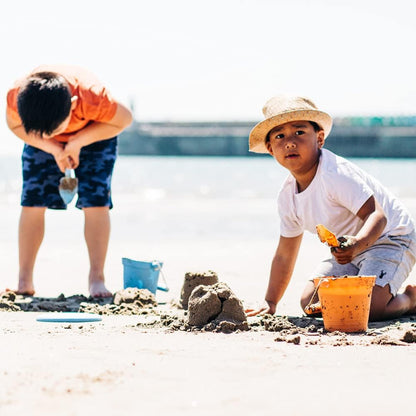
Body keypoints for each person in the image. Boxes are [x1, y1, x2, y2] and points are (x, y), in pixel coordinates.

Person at [246, 95, 416, 321]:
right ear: (270, 148)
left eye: (299, 132)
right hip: (348, 250)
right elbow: (285, 254)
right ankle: (363, 283)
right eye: (279, 136)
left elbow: (377, 215)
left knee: (366, 309)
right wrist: (270, 301)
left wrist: (357, 244)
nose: (289, 142)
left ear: (319, 138)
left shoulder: (334, 174)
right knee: (311, 303)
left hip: (390, 238)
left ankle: (409, 300)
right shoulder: (287, 197)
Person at [6, 65, 133, 298]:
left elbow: (125, 119)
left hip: (95, 134)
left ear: (73, 104)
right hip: (39, 140)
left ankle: (97, 278)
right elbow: (14, 125)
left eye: (56, 130)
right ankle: (24, 280)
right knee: (32, 201)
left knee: (96, 202)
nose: (53, 134)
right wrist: (52, 147)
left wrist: (76, 143)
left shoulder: (94, 96)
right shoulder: (18, 95)